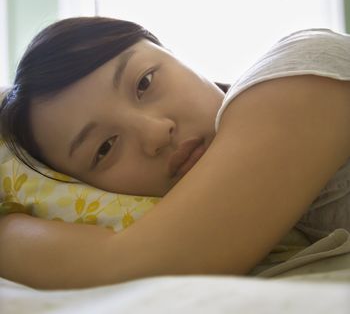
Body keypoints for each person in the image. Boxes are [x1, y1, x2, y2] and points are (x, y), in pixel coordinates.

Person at [1, 17, 350, 289]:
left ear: (173, 53)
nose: (155, 132)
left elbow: (131, 264)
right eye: (105, 148)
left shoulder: (300, 67)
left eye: (145, 83)